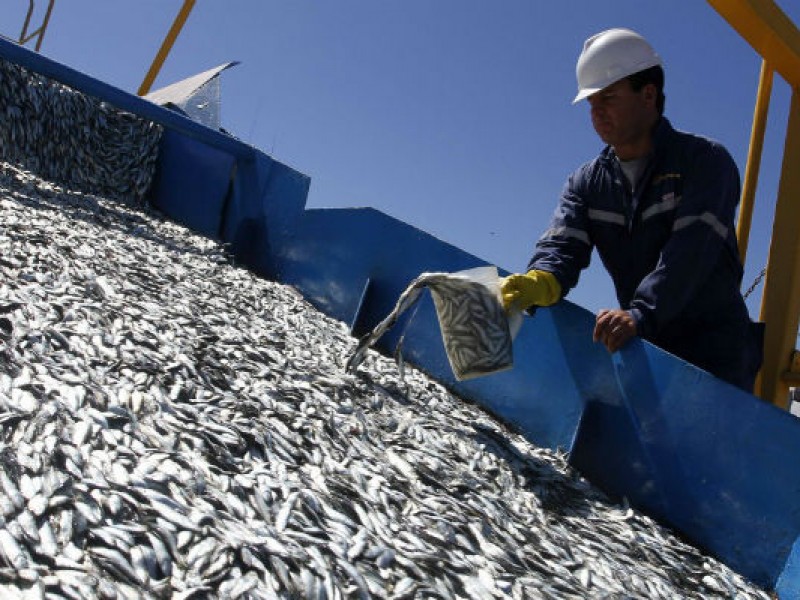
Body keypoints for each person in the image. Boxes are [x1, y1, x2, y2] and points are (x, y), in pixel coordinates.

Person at [500, 27, 763, 392]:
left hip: (716, 361)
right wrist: (540, 280)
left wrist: (641, 313)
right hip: (648, 349)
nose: (597, 112)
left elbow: (690, 253)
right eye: (591, 103)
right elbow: (563, 248)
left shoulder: (705, 161)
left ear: (648, 94)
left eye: (607, 97)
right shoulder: (587, 183)